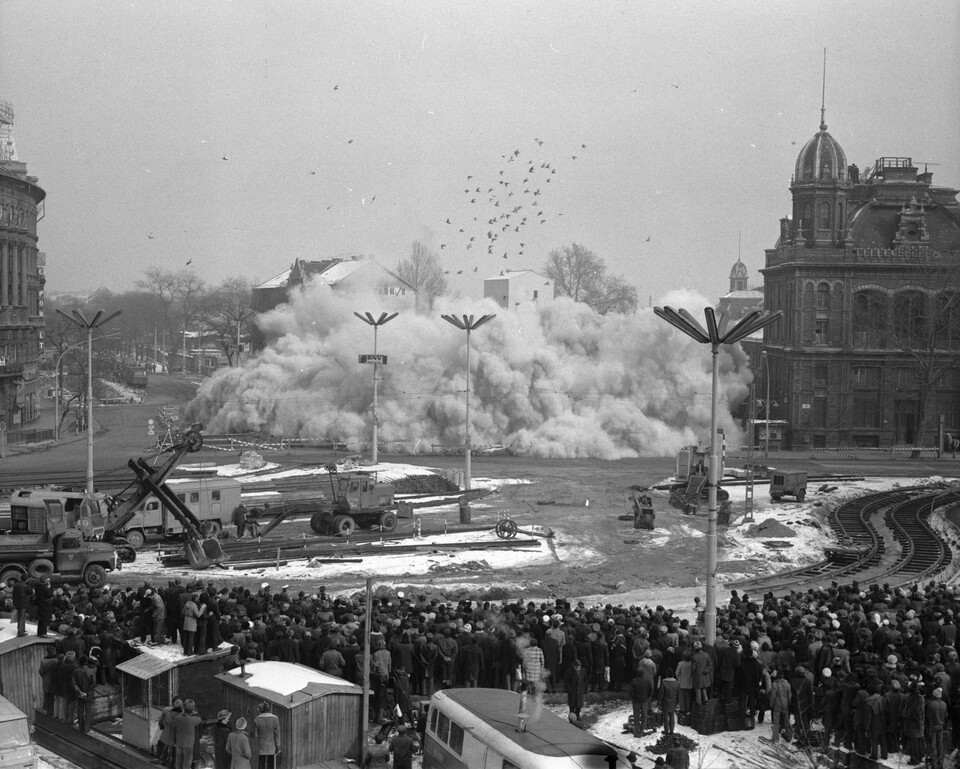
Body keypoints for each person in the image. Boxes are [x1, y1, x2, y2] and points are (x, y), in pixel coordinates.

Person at [173, 699, 202, 769]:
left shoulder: (177, 717)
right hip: (189, 744)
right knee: (187, 763)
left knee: (179, 761)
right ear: (193, 709)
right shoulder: (193, 719)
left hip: (179, 742)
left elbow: (174, 729)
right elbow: (199, 722)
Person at [253, 701, 281, 769]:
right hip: (272, 746)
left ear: (261, 710)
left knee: (261, 763)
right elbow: (277, 734)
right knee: (271, 764)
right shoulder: (275, 718)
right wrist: (278, 746)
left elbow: (255, 735)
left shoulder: (257, 719)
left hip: (262, 746)